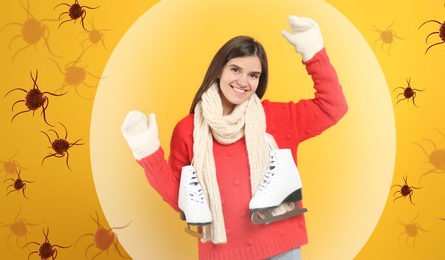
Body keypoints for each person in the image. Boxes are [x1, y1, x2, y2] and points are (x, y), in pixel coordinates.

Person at [121, 15, 348, 260]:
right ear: (219, 70)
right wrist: (148, 153)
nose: (243, 81)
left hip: (282, 250)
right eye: (235, 70)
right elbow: (183, 201)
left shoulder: (276, 117)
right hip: (223, 253)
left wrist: (313, 51)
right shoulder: (188, 131)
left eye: (253, 75)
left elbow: (332, 106)